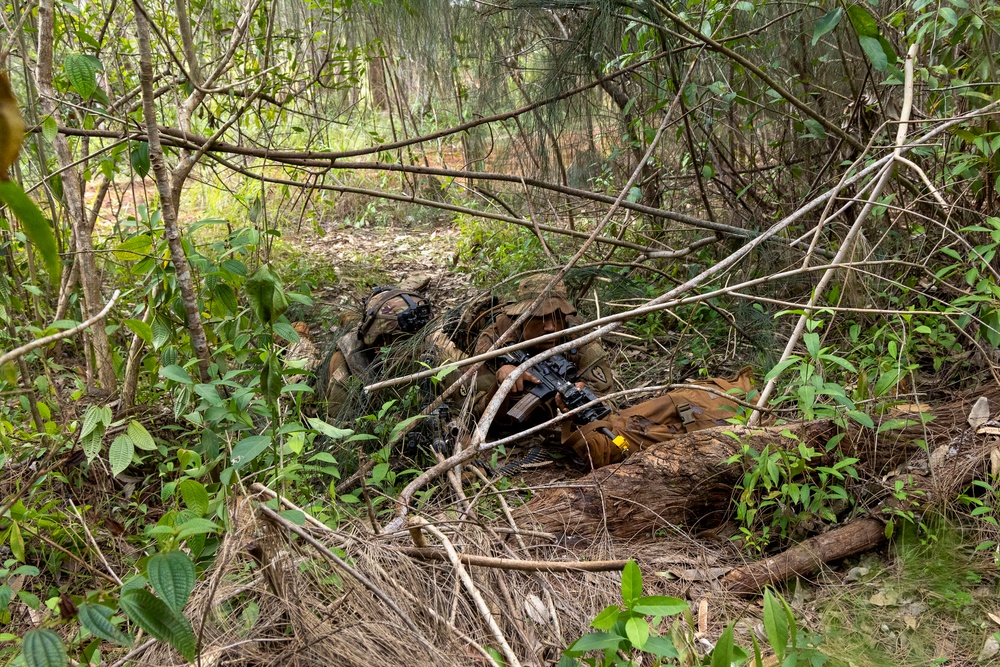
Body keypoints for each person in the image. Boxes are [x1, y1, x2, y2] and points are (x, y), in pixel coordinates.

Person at [474, 273, 753, 468]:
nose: (550, 327)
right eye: (540, 318)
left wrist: (578, 400)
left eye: (556, 317)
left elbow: (607, 405)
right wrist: (506, 372)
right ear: (522, 317)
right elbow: (478, 393)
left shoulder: (580, 340)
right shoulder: (501, 332)